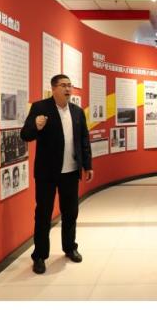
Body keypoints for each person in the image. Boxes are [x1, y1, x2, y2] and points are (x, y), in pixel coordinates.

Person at [19, 74, 92, 274]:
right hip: (47, 173)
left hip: (70, 171)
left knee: (71, 212)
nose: (68, 89)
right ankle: (40, 256)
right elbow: (25, 135)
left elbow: (84, 140)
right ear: (53, 88)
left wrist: (88, 165)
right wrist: (36, 125)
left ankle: (70, 247)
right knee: (43, 214)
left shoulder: (77, 111)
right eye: (63, 85)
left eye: (70, 85)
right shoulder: (40, 108)